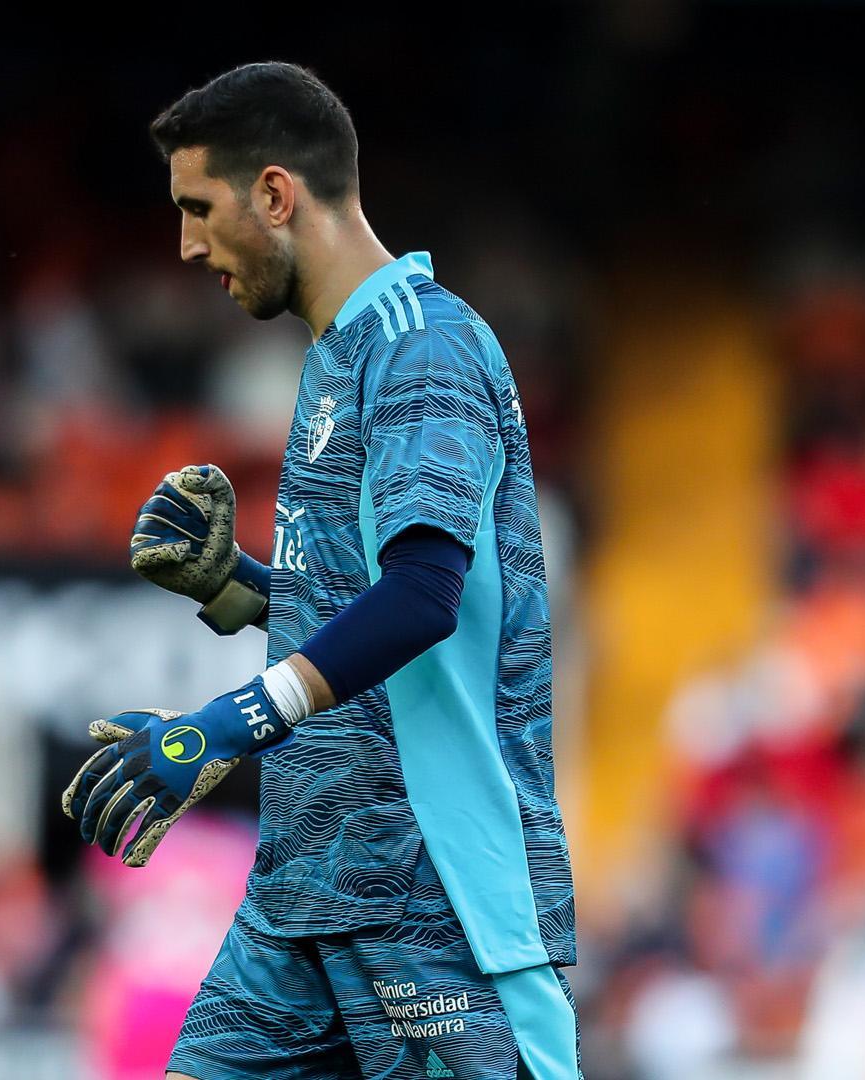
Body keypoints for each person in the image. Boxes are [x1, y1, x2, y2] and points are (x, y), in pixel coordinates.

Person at [62, 62, 579, 1079]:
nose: (186, 244)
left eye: (197, 208)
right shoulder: (338, 359)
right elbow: (364, 618)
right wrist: (235, 587)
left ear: (273, 193)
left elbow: (426, 598)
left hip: (433, 904)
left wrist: (226, 721)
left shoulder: (421, 347)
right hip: (304, 899)